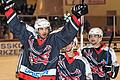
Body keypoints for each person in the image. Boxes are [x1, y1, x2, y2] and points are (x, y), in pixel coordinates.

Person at [0, 0, 88, 80]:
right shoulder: (29, 38)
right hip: (27, 77)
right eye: (41, 29)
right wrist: (9, 10)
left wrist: (76, 16)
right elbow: (17, 27)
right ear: (37, 30)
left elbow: (66, 34)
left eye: (46, 29)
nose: (44, 31)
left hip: (46, 77)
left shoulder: (53, 40)